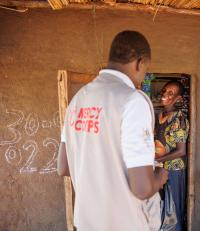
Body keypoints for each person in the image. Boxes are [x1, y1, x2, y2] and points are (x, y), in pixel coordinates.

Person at [57, 30, 168, 231]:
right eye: (145, 70)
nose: (142, 78)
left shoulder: (77, 100)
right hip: (125, 224)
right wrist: (160, 177)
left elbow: (63, 167)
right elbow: (143, 189)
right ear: (139, 63)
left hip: (87, 223)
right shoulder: (132, 101)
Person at [155, 81, 189, 231]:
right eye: (164, 91)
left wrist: (157, 160)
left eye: (171, 93)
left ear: (178, 98)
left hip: (173, 170)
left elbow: (181, 151)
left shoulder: (179, 119)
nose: (165, 95)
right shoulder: (160, 116)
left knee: (173, 208)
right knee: (161, 207)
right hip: (158, 168)